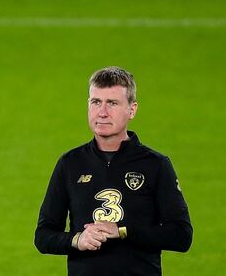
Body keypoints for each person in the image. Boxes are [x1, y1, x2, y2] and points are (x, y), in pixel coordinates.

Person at [35, 66, 192, 275]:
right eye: (96, 102)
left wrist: (122, 231)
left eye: (112, 103)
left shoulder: (156, 165)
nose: (102, 112)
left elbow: (181, 236)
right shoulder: (70, 163)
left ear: (132, 109)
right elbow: (43, 235)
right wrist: (77, 239)